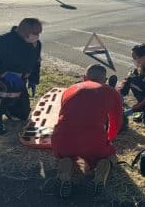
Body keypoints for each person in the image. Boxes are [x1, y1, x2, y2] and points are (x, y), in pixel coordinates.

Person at [51, 64, 123, 198]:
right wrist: (108, 141)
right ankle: (101, 173)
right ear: (105, 80)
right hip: (94, 142)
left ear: (84, 78)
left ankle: (65, 170)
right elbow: (116, 123)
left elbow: (63, 116)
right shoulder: (113, 93)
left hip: (62, 139)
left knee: (65, 156)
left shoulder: (70, 89)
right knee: (110, 157)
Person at [0, 18, 42, 135]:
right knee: (7, 89)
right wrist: (1, 75)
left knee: (21, 115)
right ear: (24, 31)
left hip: (18, 82)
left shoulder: (35, 44)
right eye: (35, 33)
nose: (37, 36)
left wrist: (33, 79)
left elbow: (36, 63)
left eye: (39, 33)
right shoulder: (3, 41)